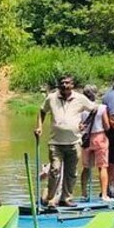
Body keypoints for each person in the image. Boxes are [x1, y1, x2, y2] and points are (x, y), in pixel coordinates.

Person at [35, 74, 99, 207]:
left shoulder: (80, 98)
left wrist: (85, 123)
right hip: (56, 143)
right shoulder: (51, 98)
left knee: (71, 173)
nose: (64, 85)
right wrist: (39, 127)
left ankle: (66, 198)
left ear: (72, 85)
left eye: (67, 83)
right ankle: (50, 198)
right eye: (62, 82)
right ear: (59, 84)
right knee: (54, 170)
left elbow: (94, 109)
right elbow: (42, 111)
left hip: (74, 142)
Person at [79, 84, 110, 201]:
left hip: (86, 139)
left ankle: (83, 193)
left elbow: (79, 126)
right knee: (102, 167)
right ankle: (104, 194)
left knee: (86, 167)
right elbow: (106, 126)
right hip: (100, 137)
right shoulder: (102, 108)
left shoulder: (81, 109)